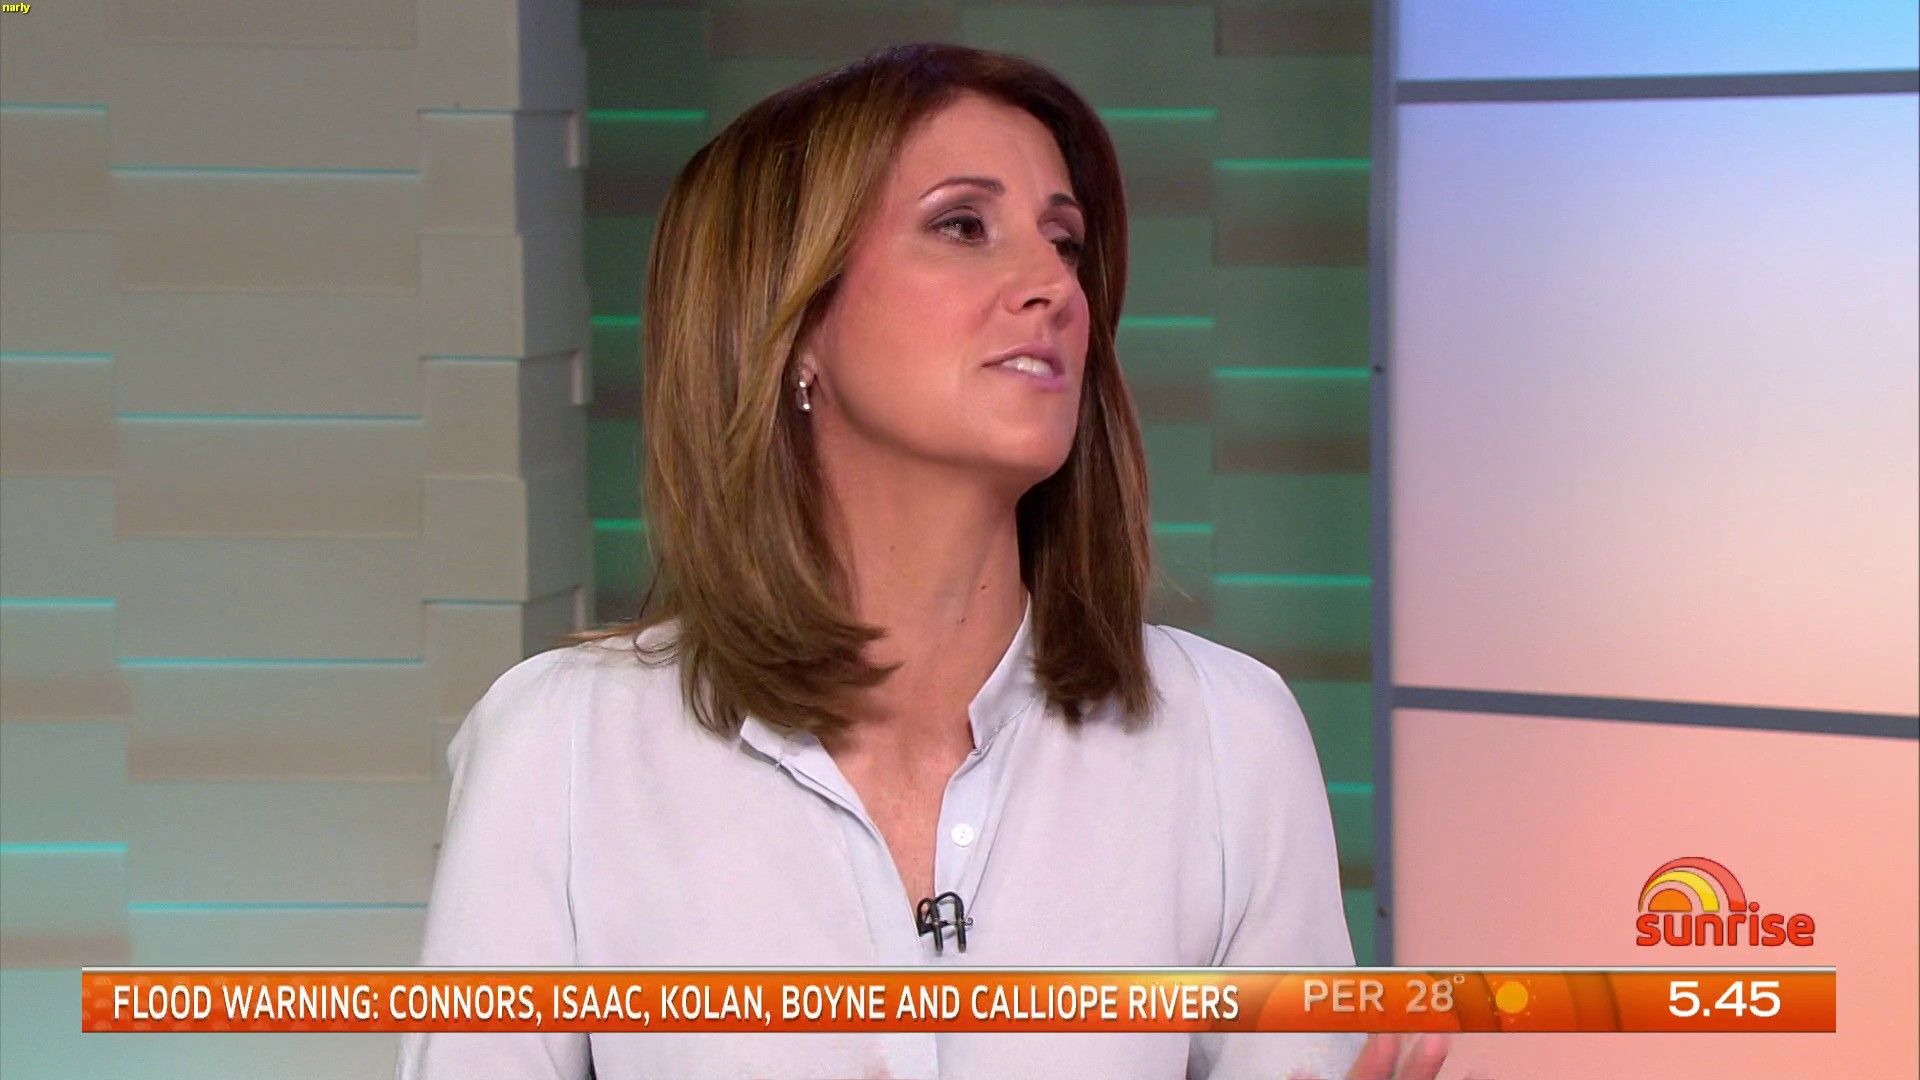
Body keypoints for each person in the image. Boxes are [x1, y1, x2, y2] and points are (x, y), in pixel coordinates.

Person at [397, 42, 1452, 1080]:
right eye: (963, 225)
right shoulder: (563, 750)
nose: (1051, 284)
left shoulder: (1227, 738)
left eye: (1064, 241)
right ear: (793, 322)